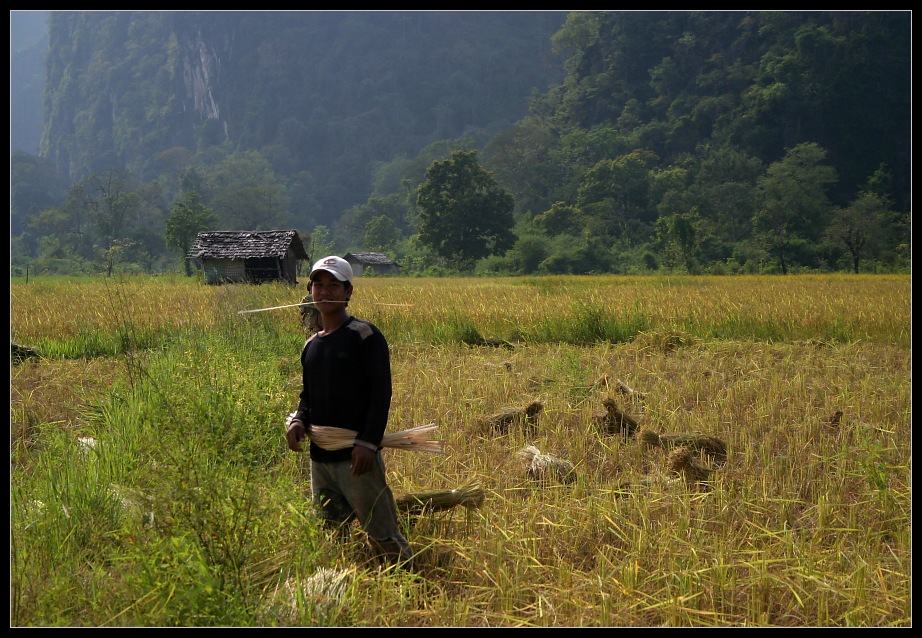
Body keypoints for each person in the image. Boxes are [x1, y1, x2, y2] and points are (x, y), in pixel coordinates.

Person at [285, 255, 414, 568]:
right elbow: (308, 396)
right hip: (321, 458)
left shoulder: (364, 336)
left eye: (333, 285)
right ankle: (338, 584)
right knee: (329, 530)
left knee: (381, 531)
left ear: (348, 291)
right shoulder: (311, 345)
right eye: (319, 284)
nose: (325, 291)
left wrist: (368, 443)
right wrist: (300, 419)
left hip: (356, 457)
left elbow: (380, 393)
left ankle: (411, 584)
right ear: (310, 290)